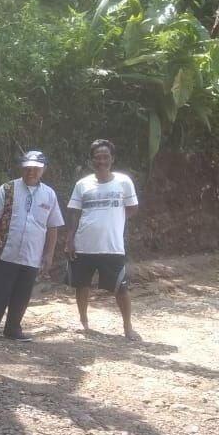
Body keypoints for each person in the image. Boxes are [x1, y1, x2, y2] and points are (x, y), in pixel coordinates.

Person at [0, 150, 64, 343]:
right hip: (7, 251)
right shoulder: (8, 189)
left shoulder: (49, 194)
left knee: (22, 293)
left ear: (43, 170)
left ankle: (13, 328)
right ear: (22, 167)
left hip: (32, 254)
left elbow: (53, 226)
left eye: (36, 168)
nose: (31, 171)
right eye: (28, 167)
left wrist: (49, 254)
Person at [65, 139, 141, 341]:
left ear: (112, 159)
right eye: (97, 157)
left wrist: (114, 220)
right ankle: (83, 322)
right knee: (82, 285)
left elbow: (132, 208)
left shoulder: (123, 182)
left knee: (120, 288)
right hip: (84, 245)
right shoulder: (82, 184)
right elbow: (73, 213)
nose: (101, 161)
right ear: (92, 161)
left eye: (105, 157)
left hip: (112, 246)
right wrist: (70, 239)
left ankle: (128, 327)